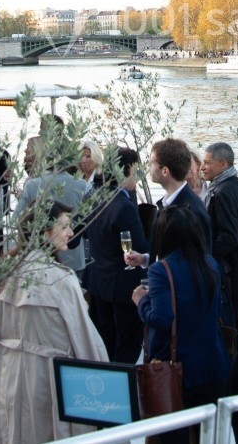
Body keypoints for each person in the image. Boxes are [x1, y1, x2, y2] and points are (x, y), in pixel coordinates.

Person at [0, 202, 108, 444]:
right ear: (45, 233)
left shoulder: (0, 271)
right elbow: (86, 341)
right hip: (47, 382)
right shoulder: (61, 280)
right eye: (65, 226)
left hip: (6, 376)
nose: (71, 232)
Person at [133, 205, 230, 444]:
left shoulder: (160, 270)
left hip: (178, 369)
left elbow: (162, 319)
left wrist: (141, 301)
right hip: (213, 364)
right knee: (207, 434)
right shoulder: (210, 264)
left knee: (171, 435)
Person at [84, 147, 148, 363]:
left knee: (105, 343)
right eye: (136, 171)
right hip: (123, 288)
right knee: (127, 346)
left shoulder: (93, 196)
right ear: (126, 170)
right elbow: (138, 247)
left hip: (98, 282)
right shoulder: (124, 207)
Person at [124, 138, 212, 267]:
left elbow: (194, 267)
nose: (148, 167)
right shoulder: (170, 203)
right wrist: (145, 259)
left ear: (165, 171)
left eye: (151, 162)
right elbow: (170, 256)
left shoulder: (190, 211)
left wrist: (157, 287)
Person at [11, 135, 90, 273]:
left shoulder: (32, 185)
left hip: (41, 257)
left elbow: (16, 219)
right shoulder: (82, 185)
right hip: (73, 254)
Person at [202, 141, 238, 333]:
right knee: (232, 330)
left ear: (223, 164)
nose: (202, 167)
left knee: (225, 330)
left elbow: (229, 237)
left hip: (228, 276)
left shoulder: (222, 192)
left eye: (207, 162)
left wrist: (205, 255)